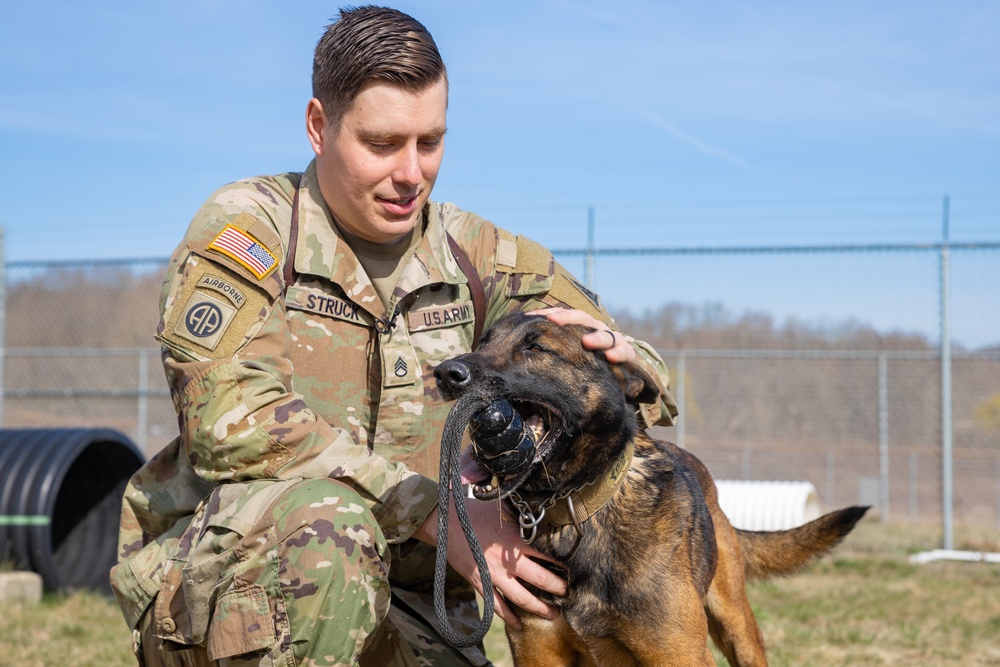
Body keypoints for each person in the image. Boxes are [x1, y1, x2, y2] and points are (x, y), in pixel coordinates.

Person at [110, 6, 677, 666]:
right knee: (332, 530)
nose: (411, 173)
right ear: (319, 126)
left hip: (415, 605)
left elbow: (627, 370)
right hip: (236, 587)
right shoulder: (253, 229)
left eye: (429, 142)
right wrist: (436, 514)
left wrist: (630, 359)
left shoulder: (479, 255)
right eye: (381, 144)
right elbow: (230, 420)